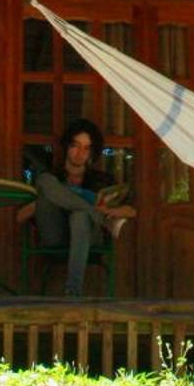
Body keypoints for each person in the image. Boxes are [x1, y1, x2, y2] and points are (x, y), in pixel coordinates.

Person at [19, 118, 137, 296]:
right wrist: (49, 199)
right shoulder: (52, 178)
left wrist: (110, 211)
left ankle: (73, 292)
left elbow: (132, 210)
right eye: (75, 145)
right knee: (44, 181)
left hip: (89, 239)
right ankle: (97, 215)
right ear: (67, 146)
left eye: (86, 148)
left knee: (80, 216)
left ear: (92, 153)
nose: (79, 153)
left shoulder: (101, 180)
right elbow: (19, 216)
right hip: (54, 236)